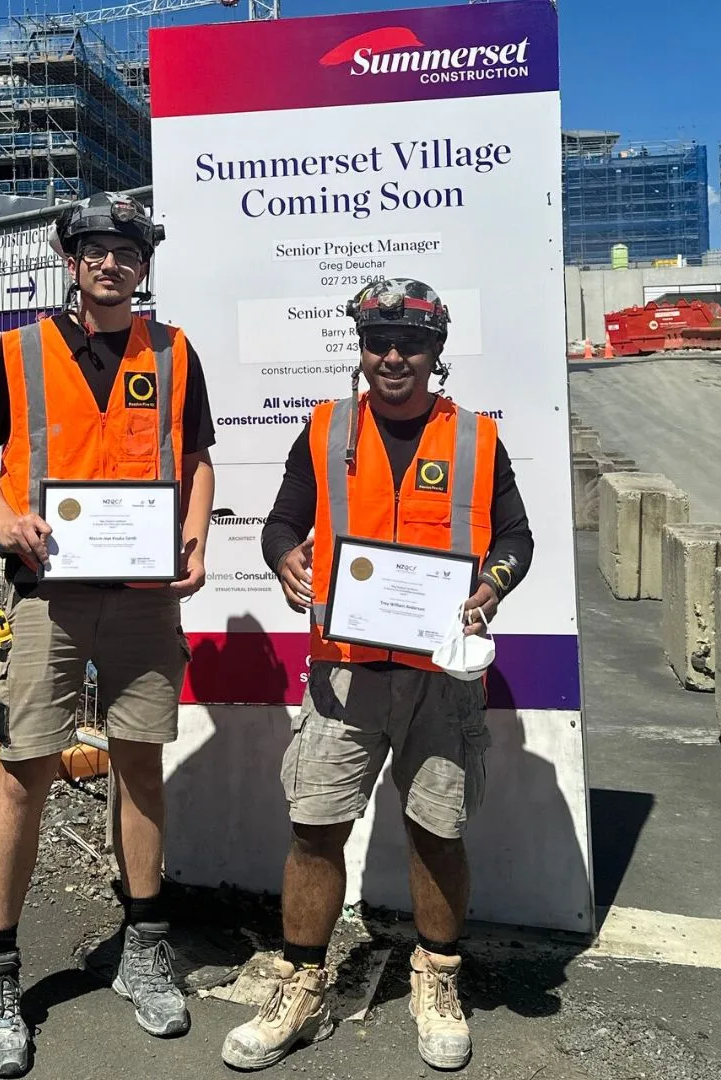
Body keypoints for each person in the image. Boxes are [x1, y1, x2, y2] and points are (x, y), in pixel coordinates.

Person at [222, 278, 534, 1073]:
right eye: (377, 340)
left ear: (436, 351)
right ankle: (299, 984)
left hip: (440, 674)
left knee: (438, 827)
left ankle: (437, 979)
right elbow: (284, 520)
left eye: (411, 343)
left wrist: (491, 584)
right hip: (344, 671)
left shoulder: (474, 438)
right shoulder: (325, 429)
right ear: (360, 348)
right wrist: (282, 558)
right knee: (316, 828)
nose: (393, 356)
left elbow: (516, 537)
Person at [0, 192, 216, 1077]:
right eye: (97, 249)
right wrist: (2, 517)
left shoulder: (174, 353)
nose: (113, 263)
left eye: (128, 251)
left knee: (140, 763)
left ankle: (144, 946)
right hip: (48, 595)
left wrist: (198, 536)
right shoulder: (21, 353)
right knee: (24, 774)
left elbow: (197, 456)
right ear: (72, 260)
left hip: (143, 594)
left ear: (144, 265)